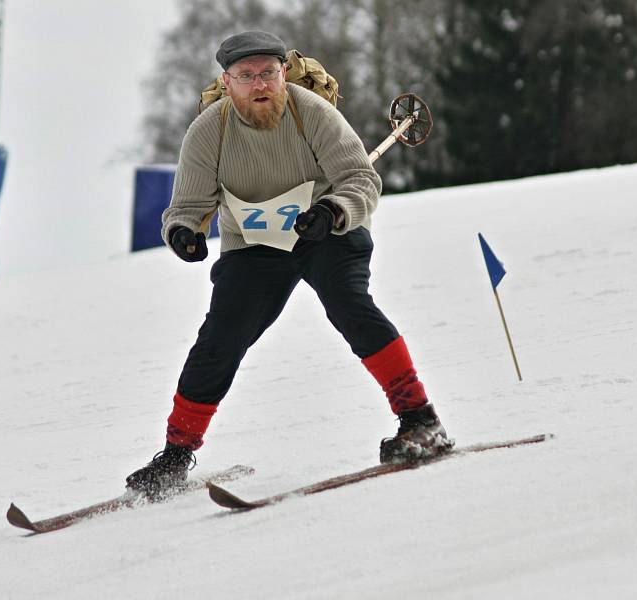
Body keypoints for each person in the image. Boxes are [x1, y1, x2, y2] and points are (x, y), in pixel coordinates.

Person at [126, 31, 450, 497]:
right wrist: (184, 234)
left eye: (268, 73)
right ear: (227, 81)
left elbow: (361, 179)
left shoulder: (313, 113)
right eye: (246, 76)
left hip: (326, 230)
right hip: (255, 245)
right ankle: (176, 454)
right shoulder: (208, 132)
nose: (259, 84)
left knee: (349, 304)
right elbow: (187, 205)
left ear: (282, 74)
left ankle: (420, 419)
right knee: (221, 337)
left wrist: (333, 211)